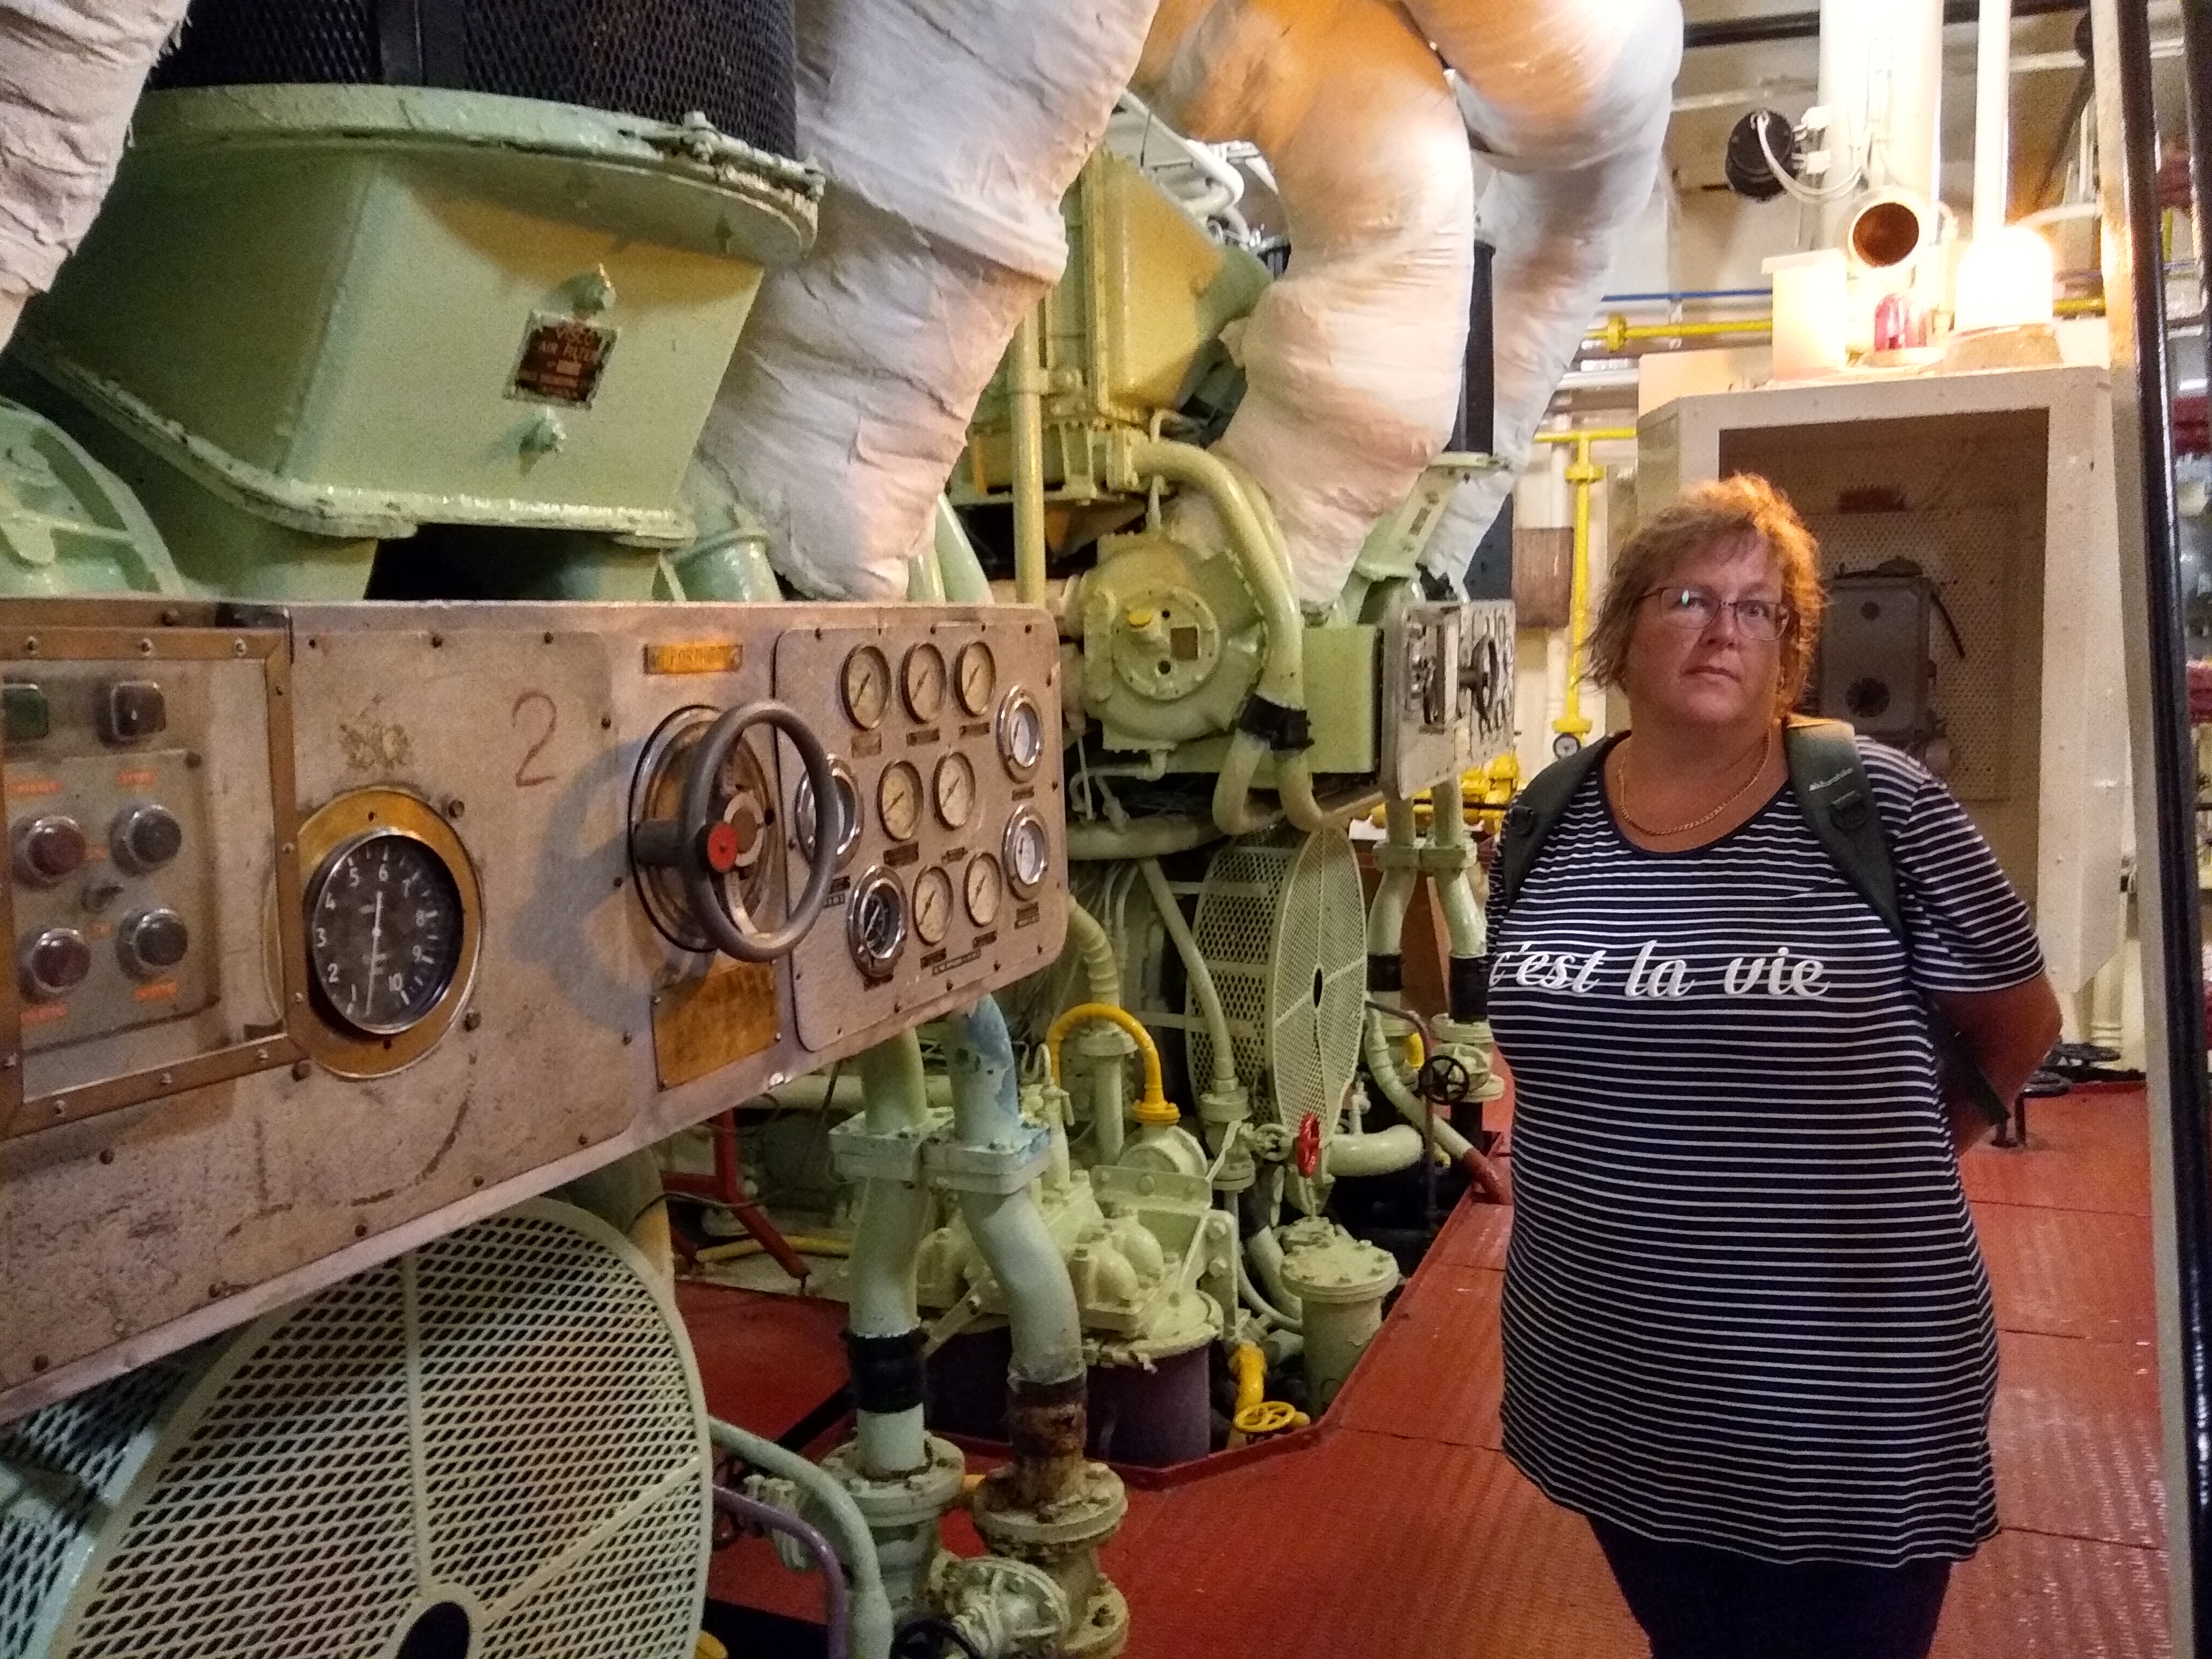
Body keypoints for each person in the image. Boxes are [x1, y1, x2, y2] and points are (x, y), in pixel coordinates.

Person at [1485, 475, 2061, 1659]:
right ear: (1623, 630)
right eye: (1690, 598)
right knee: (1689, 1636)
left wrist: (1889, 1160)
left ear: (1788, 649)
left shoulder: (1876, 804)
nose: (1722, 629)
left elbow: (2019, 1026)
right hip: (1610, 1367)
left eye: (1758, 610)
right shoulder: (1548, 819)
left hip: (1837, 1382)